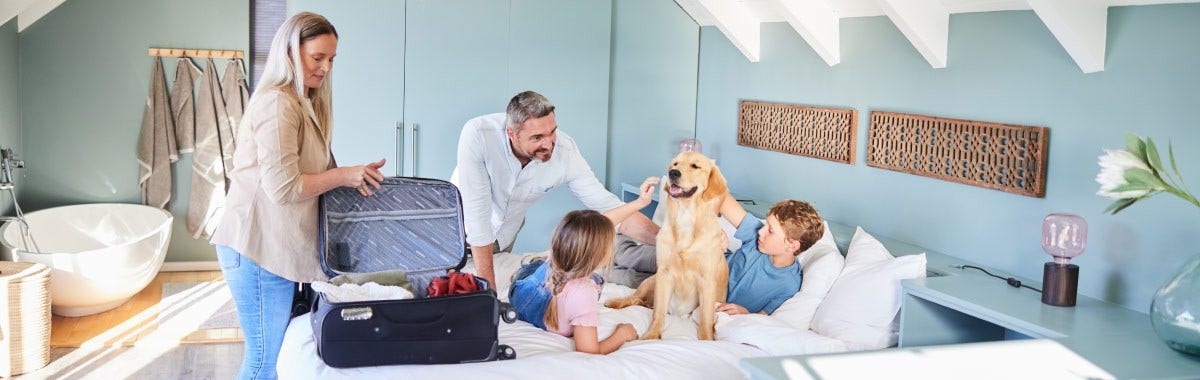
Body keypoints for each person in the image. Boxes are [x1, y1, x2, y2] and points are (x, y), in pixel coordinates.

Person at [209, 12, 385, 379]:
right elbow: (284, 187)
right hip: (256, 249)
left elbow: (310, 175)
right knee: (263, 362)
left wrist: (353, 177)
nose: (325, 68)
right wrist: (342, 175)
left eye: (331, 60)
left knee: (275, 358)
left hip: (273, 248)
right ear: (290, 52)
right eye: (317, 57)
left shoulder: (304, 102)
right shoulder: (278, 104)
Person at [451, 91, 658, 286]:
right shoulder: (479, 135)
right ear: (511, 134)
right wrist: (490, 297)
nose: (549, 144)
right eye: (537, 138)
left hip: (504, 236)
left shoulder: (565, 152)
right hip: (457, 231)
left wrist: (673, 241)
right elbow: (477, 219)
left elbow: (610, 206)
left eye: (552, 132)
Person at [509, 176, 657, 354]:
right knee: (595, 279)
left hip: (524, 289)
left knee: (536, 269)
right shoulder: (584, 293)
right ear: (599, 254)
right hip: (538, 287)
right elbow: (589, 351)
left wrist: (640, 202)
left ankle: (536, 264)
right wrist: (621, 335)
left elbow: (601, 224)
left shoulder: (560, 254)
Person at [714, 193, 824, 315]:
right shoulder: (756, 235)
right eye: (766, 225)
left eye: (770, 230)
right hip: (709, 268)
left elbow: (762, 319)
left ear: (792, 245)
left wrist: (745, 313)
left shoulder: (788, 286)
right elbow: (721, 196)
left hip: (717, 304)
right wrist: (713, 229)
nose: (761, 231)